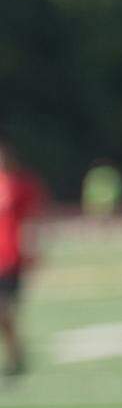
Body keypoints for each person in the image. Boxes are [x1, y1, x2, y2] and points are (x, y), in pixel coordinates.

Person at [0, 139, 43, 378]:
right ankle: (16, 356)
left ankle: (16, 355)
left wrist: (33, 249)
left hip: (12, 259)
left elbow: (33, 219)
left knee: (5, 313)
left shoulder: (23, 184)